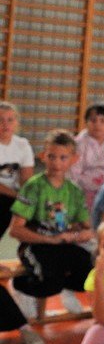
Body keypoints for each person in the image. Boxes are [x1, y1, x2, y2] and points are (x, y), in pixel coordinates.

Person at [9, 129, 95, 344]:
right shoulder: (34, 186)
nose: (57, 162)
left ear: (73, 160)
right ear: (43, 156)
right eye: (52, 156)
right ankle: (21, 285)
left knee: (89, 273)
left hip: (61, 245)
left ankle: (65, 286)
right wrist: (49, 240)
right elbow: (16, 230)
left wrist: (80, 234)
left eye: (63, 157)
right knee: (49, 282)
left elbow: (86, 227)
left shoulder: (74, 191)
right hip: (36, 245)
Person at [69, 101, 104, 210]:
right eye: (93, 120)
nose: (97, 124)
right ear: (86, 123)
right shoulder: (79, 143)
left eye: (103, 121)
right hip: (84, 189)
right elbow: (74, 171)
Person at [0, 101, 35, 240]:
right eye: (1, 120)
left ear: (16, 123)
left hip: (14, 194)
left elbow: (27, 179)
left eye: (10, 120)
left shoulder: (22, 144)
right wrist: (18, 196)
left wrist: (26, 197)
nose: (5, 124)